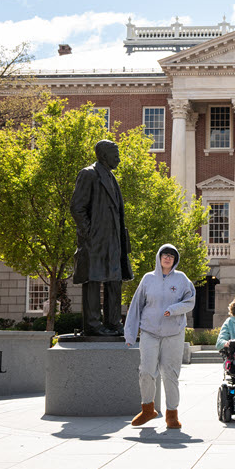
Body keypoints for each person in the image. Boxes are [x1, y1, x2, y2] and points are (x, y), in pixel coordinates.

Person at [124, 244, 195, 429]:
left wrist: (173, 310)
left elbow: (190, 301)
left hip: (174, 334)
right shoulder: (148, 279)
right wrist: (130, 334)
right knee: (146, 371)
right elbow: (136, 307)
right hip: (149, 332)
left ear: (175, 260)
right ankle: (148, 409)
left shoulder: (182, 279)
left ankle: (172, 414)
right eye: (165, 254)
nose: (167, 258)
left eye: (171, 255)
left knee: (170, 373)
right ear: (159, 257)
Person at [70, 140, 135, 336]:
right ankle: (93, 325)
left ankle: (114, 323)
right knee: (93, 280)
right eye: (116, 155)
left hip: (114, 240)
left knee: (114, 281)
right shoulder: (89, 174)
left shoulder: (111, 177)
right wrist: (90, 233)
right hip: (95, 241)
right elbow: (77, 207)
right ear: (104, 155)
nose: (119, 158)